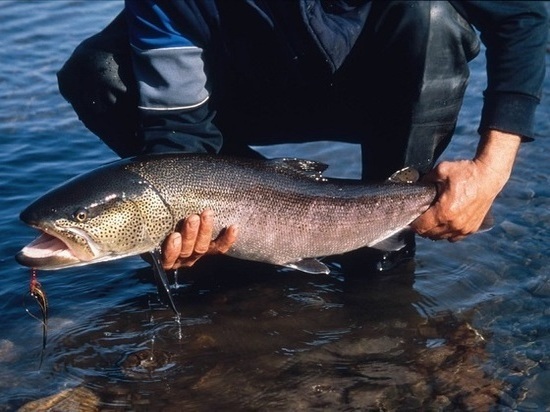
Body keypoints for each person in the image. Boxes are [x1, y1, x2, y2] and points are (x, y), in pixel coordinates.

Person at [57, 1, 547, 272]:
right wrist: (187, 223)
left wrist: (492, 169)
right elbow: (176, 131)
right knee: (98, 72)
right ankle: (246, 238)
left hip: (380, 83)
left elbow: (521, 17)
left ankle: (387, 240)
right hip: (239, 94)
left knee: (432, 17)